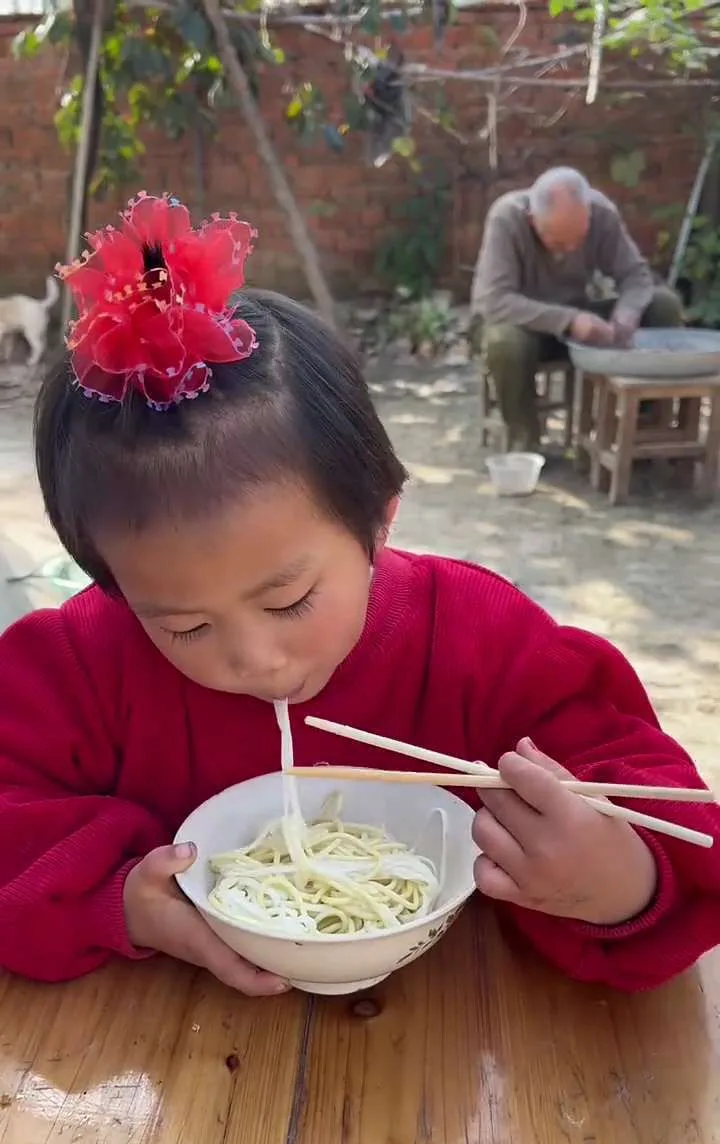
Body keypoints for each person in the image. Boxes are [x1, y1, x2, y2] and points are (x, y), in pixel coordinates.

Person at [0, 193, 718, 997]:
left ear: (378, 520)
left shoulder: (479, 638)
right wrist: (118, 902)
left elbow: (657, 804)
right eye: (185, 625)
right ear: (113, 582)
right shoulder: (84, 662)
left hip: (466, 1047)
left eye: (289, 601)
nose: (255, 660)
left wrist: (623, 882)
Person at [471, 167, 683, 450]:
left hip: (577, 324)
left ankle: (643, 427)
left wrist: (626, 314)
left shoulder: (602, 213)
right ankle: (525, 442)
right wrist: (569, 320)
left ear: (588, 216)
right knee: (504, 342)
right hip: (521, 328)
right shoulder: (506, 217)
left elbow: (636, 276)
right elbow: (494, 301)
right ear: (532, 220)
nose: (569, 249)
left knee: (664, 304)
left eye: (578, 239)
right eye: (557, 242)